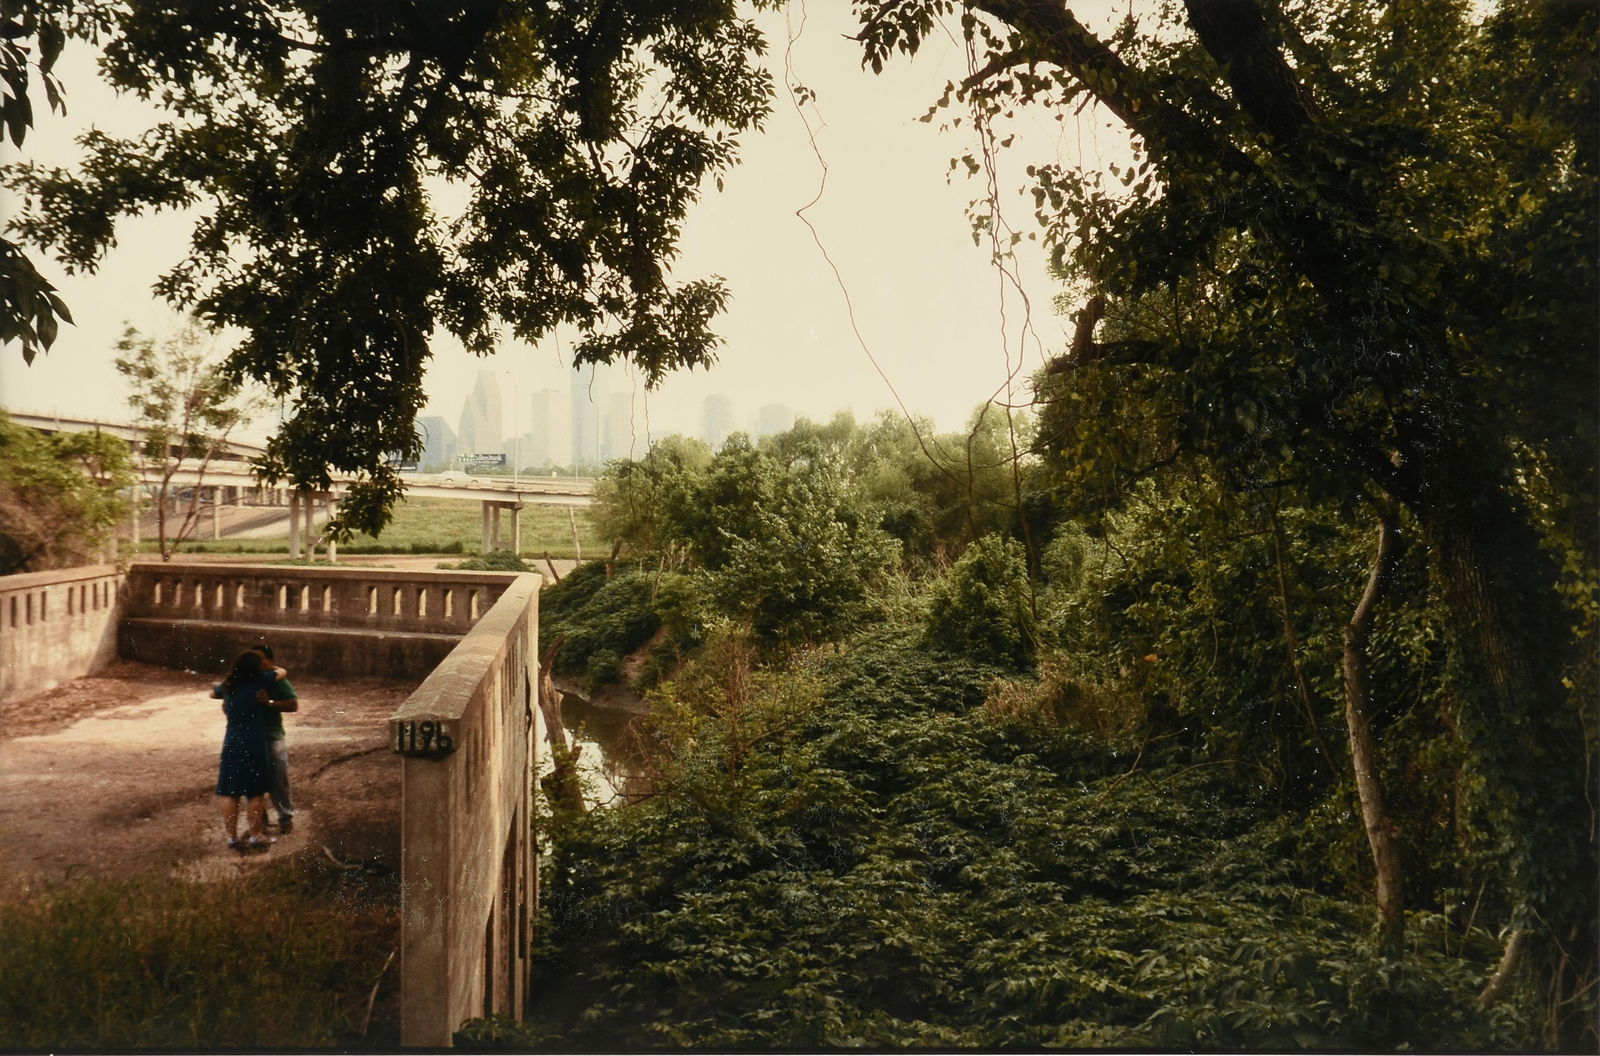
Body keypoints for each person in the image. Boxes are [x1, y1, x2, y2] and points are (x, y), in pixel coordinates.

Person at [211, 649, 288, 852]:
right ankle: (256, 835)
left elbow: (212, 693)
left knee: (230, 791)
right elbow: (282, 672)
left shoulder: (229, 685)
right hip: (254, 740)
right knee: (255, 791)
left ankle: (232, 837)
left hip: (232, 740)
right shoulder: (261, 680)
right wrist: (270, 667)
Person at [250, 642, 299, 835]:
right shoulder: (245, 680)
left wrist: (269, 703)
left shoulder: (277, 681)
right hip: (251, 737)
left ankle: (285, 817)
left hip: (272, 736)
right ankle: (260, 820)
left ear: (270, 661)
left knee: (278, 776)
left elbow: (293, 704)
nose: (257, 664)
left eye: (261, 659)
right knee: (253, 780)